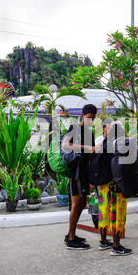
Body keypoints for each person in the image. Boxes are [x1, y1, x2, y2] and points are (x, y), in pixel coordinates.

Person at [62, 104, 97, 250]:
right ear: (82, 115)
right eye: (89, 118)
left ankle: (72, 234)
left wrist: (91, 179)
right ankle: (71, 239)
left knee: (82, 204)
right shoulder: (74, 128)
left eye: (93, 119)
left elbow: (91, 157)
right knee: (77, 205)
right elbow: (65, 145)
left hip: (85, 173)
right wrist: (85, 147)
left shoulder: (90, 133)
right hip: (76, 172)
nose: (90, 121)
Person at [95, 120, 132, 256]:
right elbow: (126, 166)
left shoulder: (104, 143)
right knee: (117, 214)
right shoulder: (122, 144)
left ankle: (104, 241)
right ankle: (116, 246)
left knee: (104, 212)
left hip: (104, 184)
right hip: (117, 184)